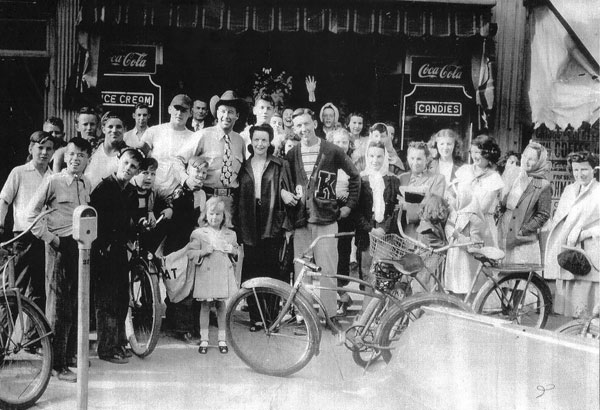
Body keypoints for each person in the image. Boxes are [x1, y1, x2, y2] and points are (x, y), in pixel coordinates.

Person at [26, 137, 93, 383]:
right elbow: (30, 214)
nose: (76, 159)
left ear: (88, 159)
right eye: (72, 154)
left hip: (80, 246)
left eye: (82, 155)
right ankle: (56, 364)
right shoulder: (53, 181)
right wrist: (51, 239)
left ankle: (70, 355)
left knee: (77, 302)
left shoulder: (86, 182)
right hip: (59, 246)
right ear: (65, 157)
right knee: (58, 306)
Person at [286, 108, 360, 319]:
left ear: (315, 124)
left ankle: (329, 314)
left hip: (326, 220)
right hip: (301, 221)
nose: (303, 129)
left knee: (327, 270)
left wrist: (348, 206)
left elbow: (355, 177)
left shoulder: (332, 151)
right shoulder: (292, 154)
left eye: (306, 124)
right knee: (303, 271)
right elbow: (288, 184)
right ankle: (305, 315)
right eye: (298, 125)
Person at [237, 124, 293, 331]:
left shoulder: (279, 165)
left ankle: (272, 318)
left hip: (272, 220)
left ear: (270, 142)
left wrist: (286, 225)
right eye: (257, 140)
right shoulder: (244, 166)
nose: (260, 144)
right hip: (249, 220)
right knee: (252, 270)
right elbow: (237, 197)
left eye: (264, 140)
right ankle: (256, 317)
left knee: (272, 270)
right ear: (251, 141)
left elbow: (287, 194)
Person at [91, 148, 143, 364]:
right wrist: (103, 247)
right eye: (126, 163)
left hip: (121, 251)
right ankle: (106, 348)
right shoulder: (103, 188)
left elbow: (130, 221)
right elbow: (93, 221)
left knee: (122, 298)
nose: (128, 169)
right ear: (118, 161)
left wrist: (139, 225)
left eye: (134, 167)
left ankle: (118, 342)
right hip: (103, 252)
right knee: (107, 301)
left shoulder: (131, 191)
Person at [0, 131, 56, 311]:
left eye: (49, 149)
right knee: (15, 290)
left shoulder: (54, 176)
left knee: (39, 292)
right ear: (31, 148)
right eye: (40, 147)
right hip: (23, 238)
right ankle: (4, 337)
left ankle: (34, 338)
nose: (44, 152)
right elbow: (4, 200)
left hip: (45, 239)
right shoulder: (19, 172)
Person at [545, 151, 600, 317]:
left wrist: (586, 233)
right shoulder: (569, 190)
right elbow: (560, 218)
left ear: (594, 170)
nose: (580, 174)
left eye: (584, 169)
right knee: (572, 307)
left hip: (591, 249)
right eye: (576, 170)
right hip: (569, 250)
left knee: (589, 304)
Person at [186, 197, 239, 354]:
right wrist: (204, 251)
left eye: (218, 214)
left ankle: (222, 339)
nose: (215, 217)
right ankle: (204, 339)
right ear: (205, 215)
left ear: (224, 216)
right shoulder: (199, 233)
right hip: (206, 276)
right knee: (205, 307)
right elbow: (191, 253)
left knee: (221, 307)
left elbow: (237, 253)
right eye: (211, 214)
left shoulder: (230, 234)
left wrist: (232, 250)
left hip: (222, 275)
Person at [357, 141, 400, 304]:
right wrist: (370, 229)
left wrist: (384, 228)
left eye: (379, 156)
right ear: (367, 157)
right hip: (367, 229)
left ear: (385, 157)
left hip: (385, 231)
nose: (375, 160)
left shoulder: (393, 180)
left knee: (382, 271)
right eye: (372, 156)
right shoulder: (361, 179)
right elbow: (357, 211)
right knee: (367, 271)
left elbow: (395, 208)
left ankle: (380, 312)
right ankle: (366, 311)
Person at [497, 142, 552, 264]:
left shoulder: (543, 185)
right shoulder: (513, 175)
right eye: (525, 156)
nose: (526, 161)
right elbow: (502, 203)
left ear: (539, 162)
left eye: (531, 159)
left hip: (524, 239)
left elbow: (543, 214)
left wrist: (523, 231)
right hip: (505, 230)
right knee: (503, 277)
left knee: (522, 275)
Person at [140, 94, 201, 196]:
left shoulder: (194, 138)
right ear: (169, 109)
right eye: (176, 108)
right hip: (150, 190)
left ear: (190, 113)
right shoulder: (154, 131)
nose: (179, 113)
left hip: (176, 194)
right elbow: (140, 158)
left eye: (184, 110)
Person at [195, 90, 246, 213]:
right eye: (223, 111)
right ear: (217, 113)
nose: (226, 116)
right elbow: (181, 159)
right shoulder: (203, 135)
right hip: (207, 198)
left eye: (231, 112)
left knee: (229, 232)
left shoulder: (240, 141)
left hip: (230, 201)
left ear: (237, 116)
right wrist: (188, 180)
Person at [454, 134, 504, 246]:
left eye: (477, 152)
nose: (474, 156)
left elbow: (482, 208)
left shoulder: (494, 178)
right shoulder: (464, 170)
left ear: (488, 153)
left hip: (482, 226)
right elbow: (453, 197)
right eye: (472, 152)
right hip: (460, 224)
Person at [329, 128, 357, 314]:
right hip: (328, 214)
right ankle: (331, 296)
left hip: (345, 215)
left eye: (344, 142)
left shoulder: (351, 165)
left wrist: (347, 204)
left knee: (343, 254)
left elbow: (356, 188)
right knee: (328, 254)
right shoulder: (325, 162)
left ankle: (342, 294)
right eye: (337, 142)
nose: (341, 145)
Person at [444, 184, 487, 297]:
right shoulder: (453, 214)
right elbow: (448, 231)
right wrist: (452, 235)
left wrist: (458, 236)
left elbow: (476, 243)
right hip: (454, 257)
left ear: (460, 198)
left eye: (450, 198)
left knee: (468, 286)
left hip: (467, 260)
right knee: (455, 287)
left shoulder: (473, 217)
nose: (447, 200)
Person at [397, 141, 445, 239]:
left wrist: (407, 207)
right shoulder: (401, 178)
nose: (414, 163)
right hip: (404, 235)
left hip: (427, 236)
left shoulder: (438, 179)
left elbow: (433, 211)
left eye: (419, 159)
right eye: (412, 158)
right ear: (407, 158)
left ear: (427, 160)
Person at [85, 112, 128, 189]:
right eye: (110, 127)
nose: (114, 130)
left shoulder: (128, 154)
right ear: (103, 129)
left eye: (118, 127)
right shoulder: (92, 148)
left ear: (124, 129)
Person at [52, 107, 100, 172]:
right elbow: (56, 177)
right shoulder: (62, 152)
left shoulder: (101, 149)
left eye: (92, 124)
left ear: (97, 126)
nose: (89, 128)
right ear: (77, 127)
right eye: (85, 124)